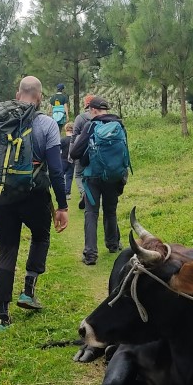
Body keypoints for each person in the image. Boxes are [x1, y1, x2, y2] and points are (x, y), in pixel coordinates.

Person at [0, 76, 69, 330]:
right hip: (34, 194)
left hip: (1, 193)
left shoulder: (0, 119)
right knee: (41, 236)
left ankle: (3, 316)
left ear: (18, 94)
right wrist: (62, 206)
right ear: (40, 97)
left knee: (7, 249)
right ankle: (28, 291)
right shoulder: (47, 123)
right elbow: (56, 170)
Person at [69, 96, 127, 266]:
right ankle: (113, 244)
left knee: (91, 213)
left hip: (93, 176)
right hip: (113, 176)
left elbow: (75, 153)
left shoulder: (91, 126)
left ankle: (90, 254)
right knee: (110, 211)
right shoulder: (119, 125)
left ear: (93, 110)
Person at [70, 94, 96, 209]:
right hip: (95, 151)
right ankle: (92, 195)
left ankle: (83, 193)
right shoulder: (99, 118)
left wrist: (71, 153)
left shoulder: (80, 118)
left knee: (78, 174)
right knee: (92, 173)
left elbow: (73, 136)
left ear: (85, 105)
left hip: (81, 150)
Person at [59, 121, 75, 198]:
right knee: (69, 177)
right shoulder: (75, 140)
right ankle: (67, 194)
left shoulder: (63, 140)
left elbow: (58, 150)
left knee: (61, 176)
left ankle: (60, 191)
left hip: (63, 160)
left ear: (66, 129)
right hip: (72, 161)